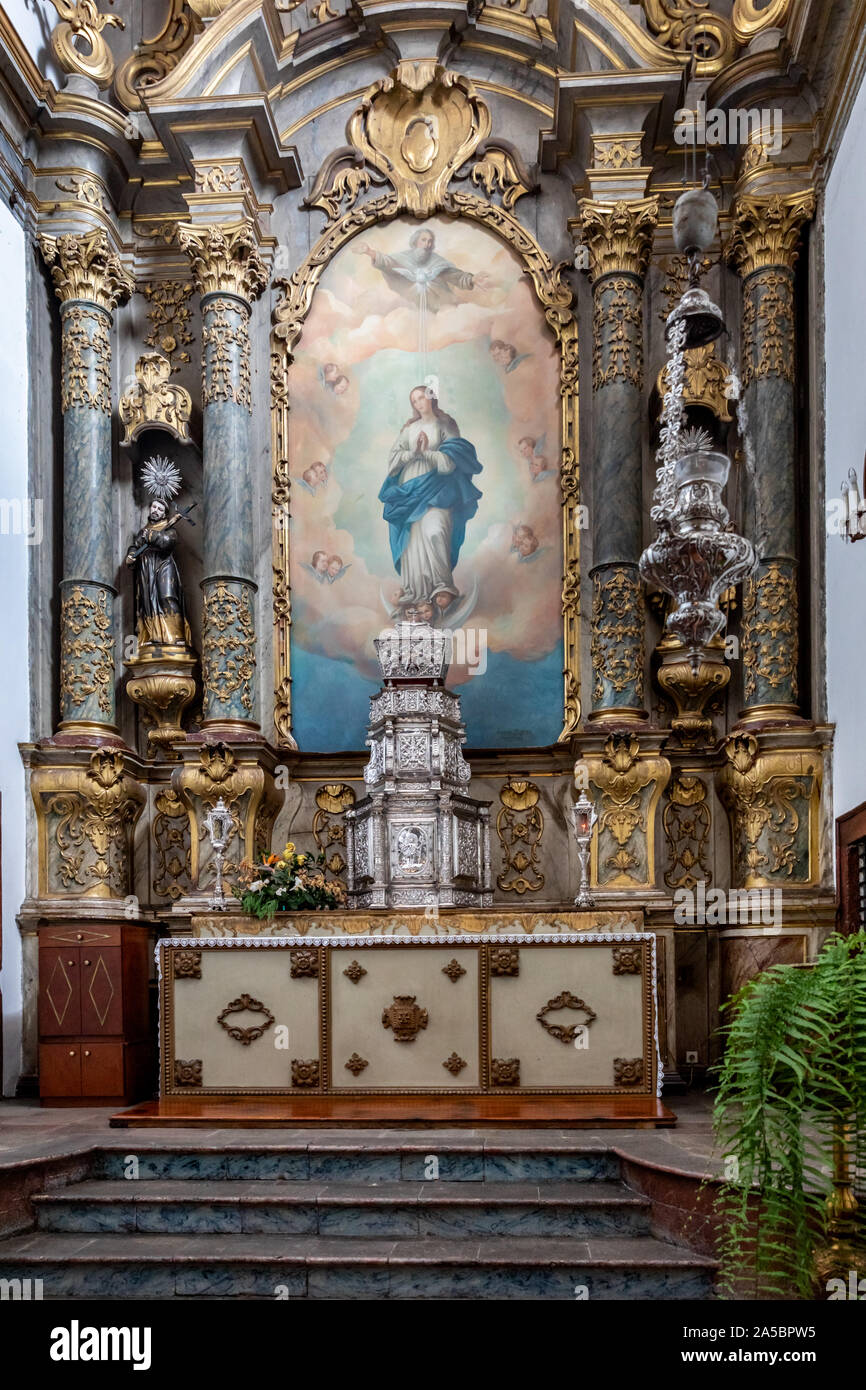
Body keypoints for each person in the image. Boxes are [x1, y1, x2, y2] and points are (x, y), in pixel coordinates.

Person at [379, 385, 483, 615]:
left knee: (434, 531)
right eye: (413, 400)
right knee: (412, 541)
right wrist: (414, 453)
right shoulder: (409, 429)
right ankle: (416, 594)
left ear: (431, 398)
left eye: (421, 397)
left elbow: (451, 463)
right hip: (410, 490)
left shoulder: (445, 426)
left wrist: (427, 453)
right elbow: (393, 460)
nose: (418, 403)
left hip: (438, 490)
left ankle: (442, 587)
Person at [353, 228, 491, 311]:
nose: (427, 244)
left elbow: (453, 275)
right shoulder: (403, 257)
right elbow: (387, 261)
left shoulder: (436, 260)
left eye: (430, 241)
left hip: (440, 304)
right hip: (415, 306)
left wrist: (471, 279)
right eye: (424, 240)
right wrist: (368, 251)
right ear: (415, 241)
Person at [125, 498, 192, 651]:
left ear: (164, 514)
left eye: (160, 509)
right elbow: (135, 547)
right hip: (146, 570)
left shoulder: (169, 529)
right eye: (154, 507)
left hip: (163, 567)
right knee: (147, 603)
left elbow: (168, 542)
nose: (155, 510)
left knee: (167, 597)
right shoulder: (143, 532)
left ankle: (176, 636)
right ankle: (152, 636)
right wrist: (131, 556)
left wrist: (153, 536)